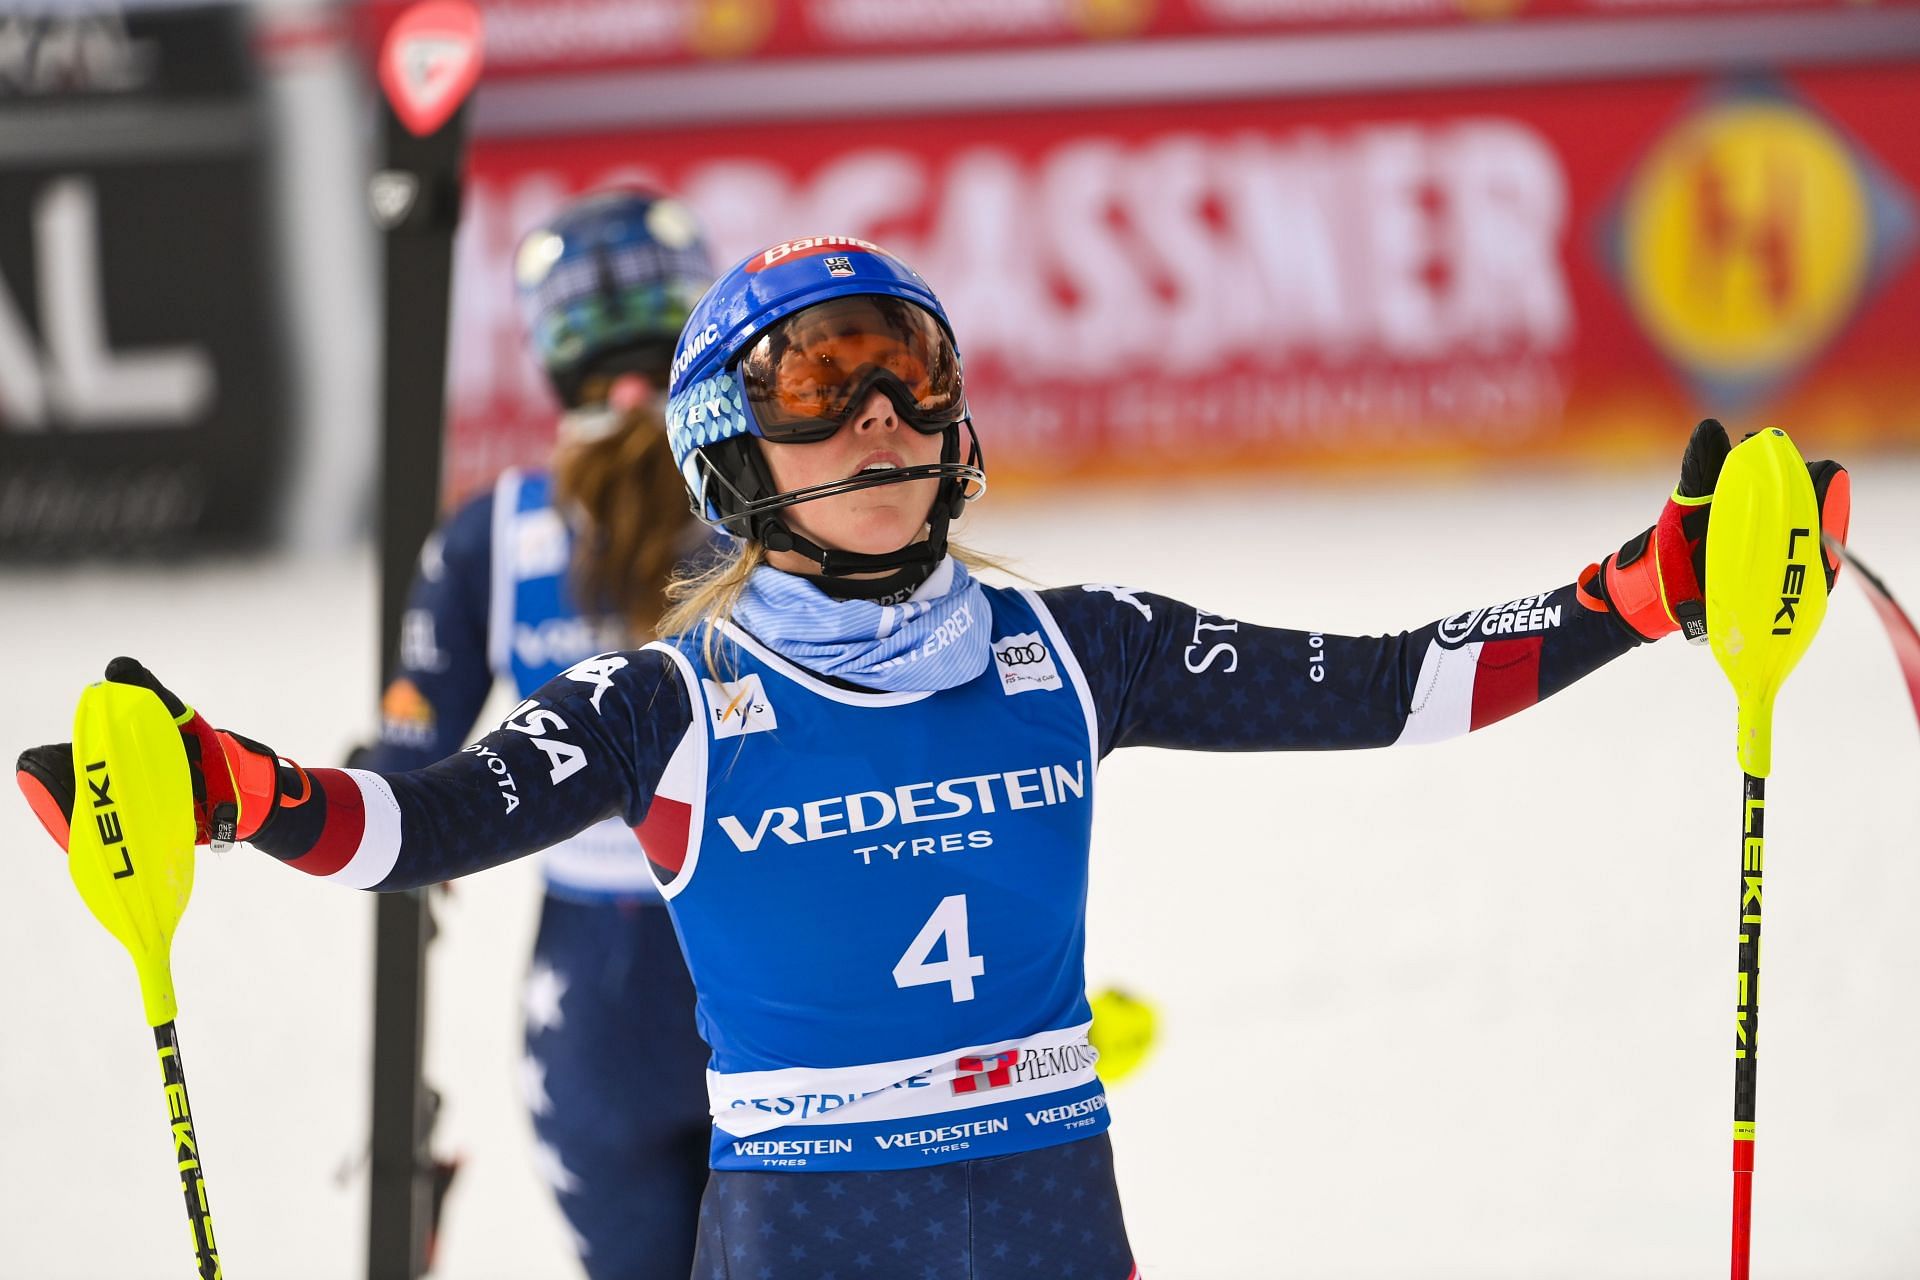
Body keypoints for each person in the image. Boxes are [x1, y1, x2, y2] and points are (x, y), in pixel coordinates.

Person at [17, 237, 1852, 1278]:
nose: (884, 418)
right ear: (737, 451)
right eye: (823, 388)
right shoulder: (670, 702)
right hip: (807, 1235)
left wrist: (1641, 593)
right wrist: (234, 791)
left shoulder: (1076, 648)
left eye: (908, 370)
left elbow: (1394, 685)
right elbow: (418, 825)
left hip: (1057, 1214)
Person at [359, 187, 719, 1279]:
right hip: (766, 967)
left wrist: (311, 784)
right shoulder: (778, 511)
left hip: (592, 997)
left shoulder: (495, 531)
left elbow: (404, 771)